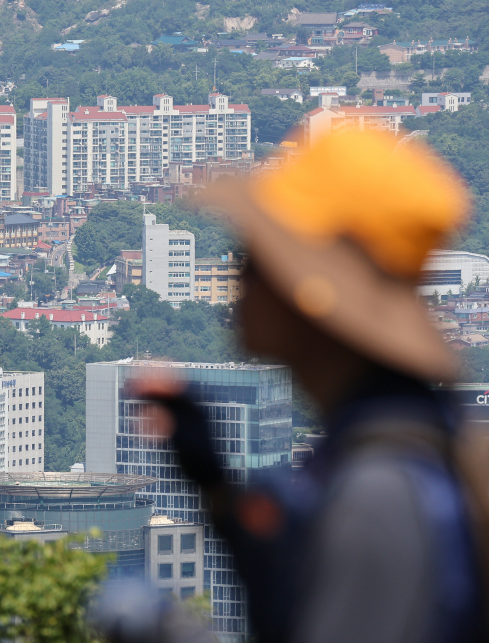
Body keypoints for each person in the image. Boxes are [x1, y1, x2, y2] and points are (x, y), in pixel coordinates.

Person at [134, 130, 488, 643]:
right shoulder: (406, 441)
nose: (235, 279)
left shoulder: (378, 492)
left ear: (304, 294)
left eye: (254, 261)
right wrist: (215, 486)